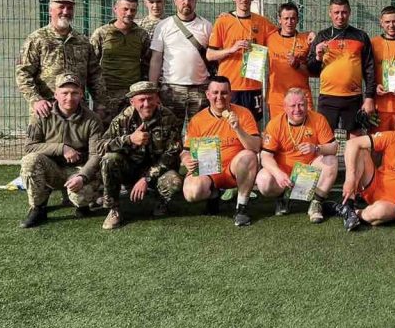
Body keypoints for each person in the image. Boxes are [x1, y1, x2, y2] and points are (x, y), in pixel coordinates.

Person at [19, 73, 103, 228]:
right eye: (64, 93)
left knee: (80, 198)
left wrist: (82, 176)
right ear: (55, 94)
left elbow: (96, 155)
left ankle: (82, 205)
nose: (69, 98)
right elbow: (29, 147)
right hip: (52, 169)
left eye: (74, 93)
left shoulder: (92, 119)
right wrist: (61, 148)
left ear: (81, 94)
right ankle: (38, 207)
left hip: (78, 169)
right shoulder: (41, 115)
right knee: (30, 161)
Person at [99, 81, 183, 230]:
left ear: (157, 98)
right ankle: (114, 209)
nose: (146, 104)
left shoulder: (168, 118)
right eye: (141, 100)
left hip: (156, 170)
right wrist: (129, 139)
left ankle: (160, 201)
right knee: (109, 159)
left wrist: (146, 178)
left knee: (174, 181)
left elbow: (172, 153)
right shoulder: (121, 120)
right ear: (132, 102)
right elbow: (100, 147)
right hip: (129, 170)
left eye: (150, 99)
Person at [181, 76, 261, 228]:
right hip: (208, 171)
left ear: (230, 94)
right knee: (192, 192)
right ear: (208, 94)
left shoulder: (243, 114)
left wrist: (238, 128)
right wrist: (186, 160)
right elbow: (185, 151)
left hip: (234, 170)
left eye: (224, 93)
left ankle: (241, 207)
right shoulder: (197, 120)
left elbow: (256, 147)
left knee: (249, 156)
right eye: (215, 93)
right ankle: (213, 194)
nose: (220, 97)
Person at [16, 0, 105, 118]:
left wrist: (100, 104)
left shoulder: (83, 41)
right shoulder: (37, 39)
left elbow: (95, 75)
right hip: (47, 111)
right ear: (50, 10)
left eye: (69, 8)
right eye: (61, 7)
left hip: (78, 112)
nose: (65, 11)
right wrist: (36, 100)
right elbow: (23, 73)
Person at [257, 88, 338, 223]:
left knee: (331, 160)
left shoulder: (318, 119)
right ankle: (283, 197)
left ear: (307, 105)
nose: (297, 109)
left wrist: (316, 148)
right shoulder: (275, 124)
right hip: (284, 174)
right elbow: (265, 156)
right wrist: (278, 173)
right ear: (285, 107)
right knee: (263, 180)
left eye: (301, 105)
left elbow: (334, 147)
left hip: (309, 172)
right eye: (293, 106)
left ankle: (316, 203)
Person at [206, 0, 276, 122]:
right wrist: (231, 49)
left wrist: (307, 37)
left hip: (253, 86)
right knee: (227, 126)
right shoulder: (223, 21)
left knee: (253, 125)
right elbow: (210, 55)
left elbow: (282, 36)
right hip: (229, 88)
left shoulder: (262, 22)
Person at [306, 0, 376, 135]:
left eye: (344, 12)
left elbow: (369, 69)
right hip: (328, 97)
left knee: (354, 136)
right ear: (330, 13)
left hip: (353, 97)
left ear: (349, 12)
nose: (340, 16)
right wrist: (318, 57)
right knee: (325, 136)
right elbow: (311, 68)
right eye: (336, 12)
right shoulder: (322, 36)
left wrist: (369, 97)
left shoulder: (361, 36)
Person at [148, 0, 212, 129]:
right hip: (172, 89)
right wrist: (153, 90)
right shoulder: (164, 26)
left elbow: (213, 56)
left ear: (195, 0)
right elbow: (156, 60)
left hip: (200, 89)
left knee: (199, 132)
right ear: (175, 0)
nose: (186, 2)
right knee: (170, 132)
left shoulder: (206, 26)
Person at [89, 0, 152, 123]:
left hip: (132, 96)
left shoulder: (142, 35)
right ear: (115, 9)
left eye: (133, 10)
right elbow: (91, 66)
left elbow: (147, 65)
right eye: (125, 9)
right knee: (105, 132)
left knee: (133, 131)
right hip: (107, 97)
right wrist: (98, 98)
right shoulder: (102, 33)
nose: (129, 13)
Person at [265, 2, 314, 117]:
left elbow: (313, 71)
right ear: (279, 20)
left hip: (301, 98)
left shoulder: (306, 39)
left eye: (293, 18)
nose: (289, 22)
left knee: (307, 127)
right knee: (278, 128)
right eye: (286, 18)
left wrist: (297, 65)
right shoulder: (269, 38)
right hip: (277, 98)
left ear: (297, 20)